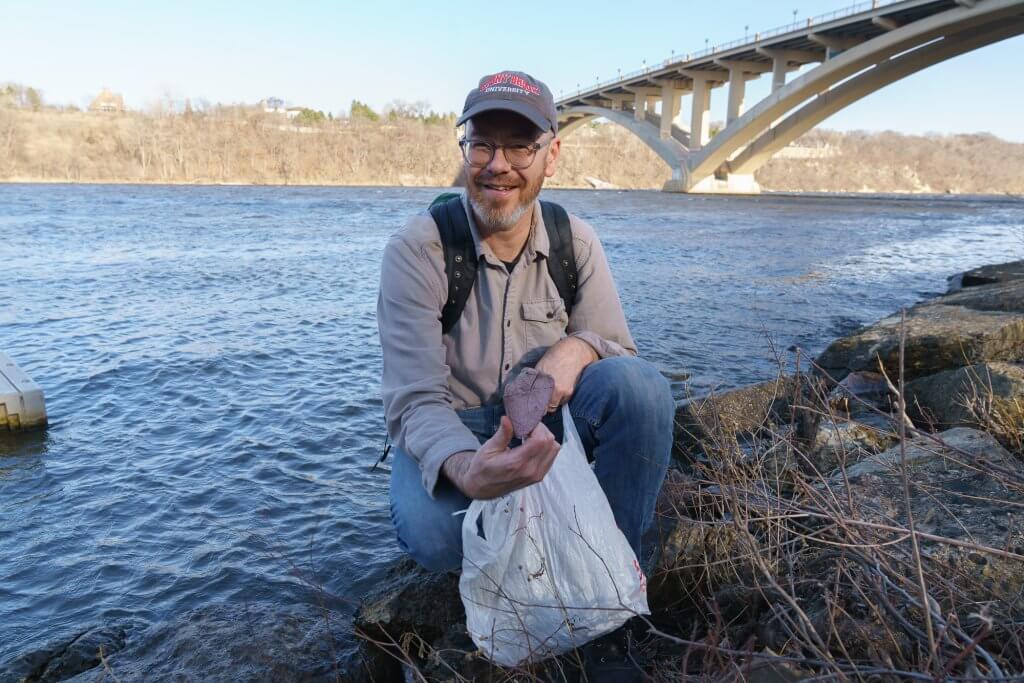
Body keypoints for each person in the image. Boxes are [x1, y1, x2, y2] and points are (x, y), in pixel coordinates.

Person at [376, 70, 674, 679]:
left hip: (548, 428)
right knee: (434, 535)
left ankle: (612, 604)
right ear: (464, 151)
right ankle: (498, 582)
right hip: (458, 429)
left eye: (520, 146)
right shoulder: (418, 250)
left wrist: (578, 349)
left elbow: (623, 352)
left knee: (643, 390)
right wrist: (467, 467)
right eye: (482, 144)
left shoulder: (576, 242)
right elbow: (414, 403)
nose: (498, 165)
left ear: (552, 155)